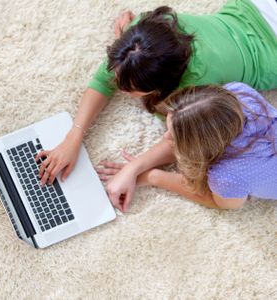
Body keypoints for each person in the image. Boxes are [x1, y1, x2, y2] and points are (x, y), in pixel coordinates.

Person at [35, 0, 277, 189]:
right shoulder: (144, 30)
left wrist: (135, 168)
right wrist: (73, 137)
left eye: (128, 88)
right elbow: (102, 80)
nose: (117, 87)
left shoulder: (195, 85)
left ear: (163, 87)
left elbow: (185, 139)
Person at [97, 82, 277, 210]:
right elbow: (192, 130)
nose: (165, 137)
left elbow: (221, 203)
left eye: (173, 137)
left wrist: (152, 176)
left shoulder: (227, 177)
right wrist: (134, 167)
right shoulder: (239, 93)